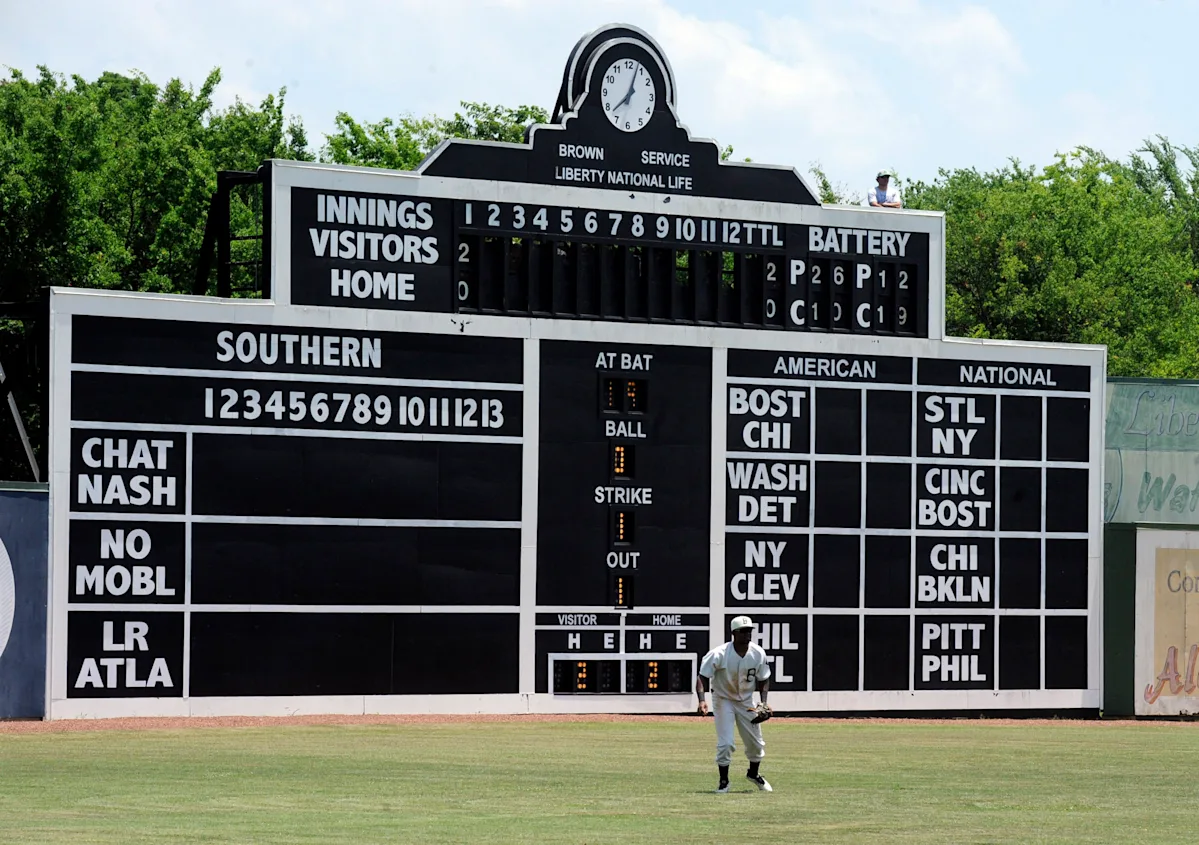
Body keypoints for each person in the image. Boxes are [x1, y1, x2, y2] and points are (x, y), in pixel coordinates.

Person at [696, 615, 773, 793]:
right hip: (723, 700)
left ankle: (753, 774)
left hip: (746, 701)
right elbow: (702, 676)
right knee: (726, 744)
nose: (747, 634)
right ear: (734, 633)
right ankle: (724, 781)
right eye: (743, 631)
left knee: (756, 744)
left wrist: (764, 703)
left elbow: (764, 678)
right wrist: (702, 700)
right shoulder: (720, 653)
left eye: (749, 631)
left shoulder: (758, 653)